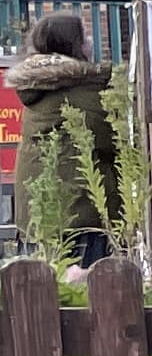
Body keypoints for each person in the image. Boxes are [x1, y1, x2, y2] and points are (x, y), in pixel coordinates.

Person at [7, 15, 123, 269]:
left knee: (40, 289)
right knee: (86, 290)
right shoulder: (81, 88)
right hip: (78, 214)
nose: (91, 41)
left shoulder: (38, 85)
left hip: (38, 213)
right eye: (85, 36)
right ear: (72, 44)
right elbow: (112, 140)